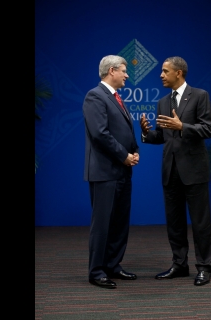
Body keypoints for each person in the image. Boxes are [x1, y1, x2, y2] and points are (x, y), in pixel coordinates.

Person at [140, 56, 211, 286]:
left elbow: (207, 128)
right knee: (174, 222)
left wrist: (183, 126)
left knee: (200, 222)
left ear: (179, 73)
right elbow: (163, 136)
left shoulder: (200, 95)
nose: (161, 75)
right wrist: (146, 133)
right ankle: (179, 264)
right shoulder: (163, 101)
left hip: (194, 170)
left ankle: (203, 267)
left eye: (164, 71)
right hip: (170, 171)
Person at [83, 55, 140, 289]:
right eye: (124, 71)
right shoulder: (95, 96)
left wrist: (133, 151)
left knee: (119, 223)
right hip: (105, 172)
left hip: (122, 172)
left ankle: (113, 266)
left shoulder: (116, 97)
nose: (127, 75)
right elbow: (100, 134)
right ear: (112, 71)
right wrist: (123, 155)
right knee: (102, 224)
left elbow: (123, 131)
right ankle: (96, 271)